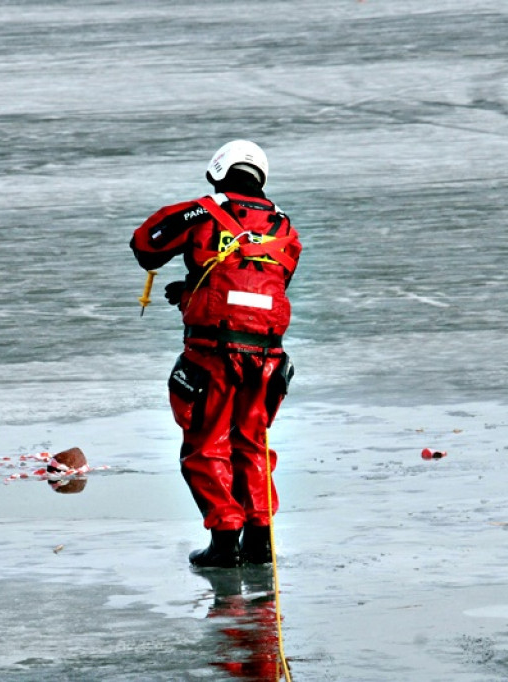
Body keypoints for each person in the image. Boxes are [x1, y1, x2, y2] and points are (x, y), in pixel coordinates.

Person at [131, 140, 301, 568]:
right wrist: (191, 291)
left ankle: (225, 543)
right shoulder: (285, 229)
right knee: (252, 442)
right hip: (267, 356)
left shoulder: (202, 211)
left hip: (214, 353)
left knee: (205, 447)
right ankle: (260, 541)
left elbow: (145, 246)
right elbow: (260, 285)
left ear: (217, 171)